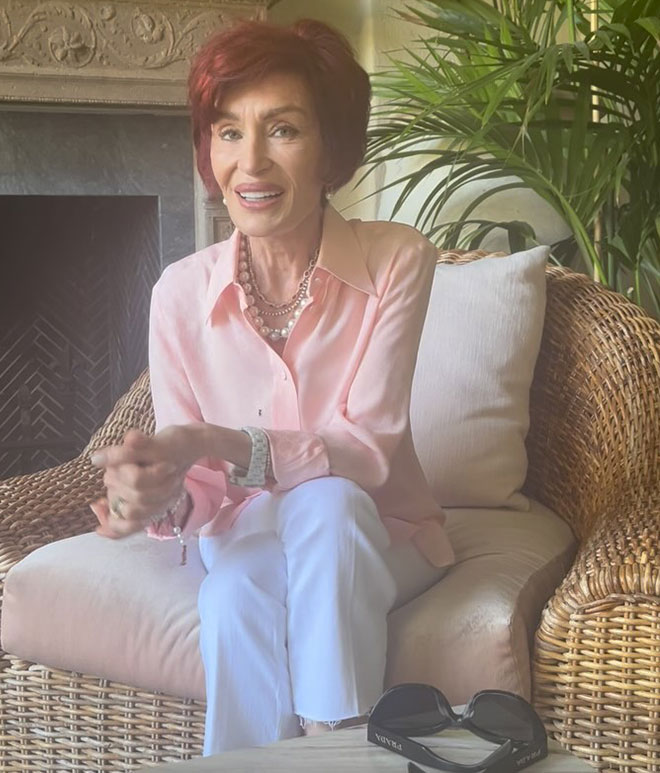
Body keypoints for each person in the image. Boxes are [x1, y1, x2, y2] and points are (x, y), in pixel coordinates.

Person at [88, 18, 455, 757]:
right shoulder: (177, 293)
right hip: (247, 533)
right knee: (233, 587)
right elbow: (199, 491)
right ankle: (340, 747)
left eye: (282, 129)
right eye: (227, 133)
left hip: (382, 532)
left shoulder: (396, 261)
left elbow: (370, 449)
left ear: (332, 150)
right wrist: (160, 492)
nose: (248, 162)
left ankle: (327, 738)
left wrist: (218, 442)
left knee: (324, 500)